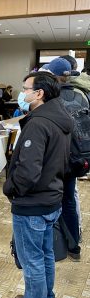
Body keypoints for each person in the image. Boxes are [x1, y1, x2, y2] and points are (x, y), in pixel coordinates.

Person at [1, 71, 73, 298]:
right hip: (52, 198)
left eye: (26, 88)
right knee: (45, 256)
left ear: (39, 93)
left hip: (32, 203)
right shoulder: (61, 117)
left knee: (33, 259)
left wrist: (11, 189)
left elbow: (27, 171)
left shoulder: (38, 123)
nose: (23, 93)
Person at [47, 57, 89, 261]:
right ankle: (74, 248)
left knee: (51, 200)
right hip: (77, 158)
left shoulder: (52, 98)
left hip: (56, 158)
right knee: (69, 200)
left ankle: (54, 244)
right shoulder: (81, 95)